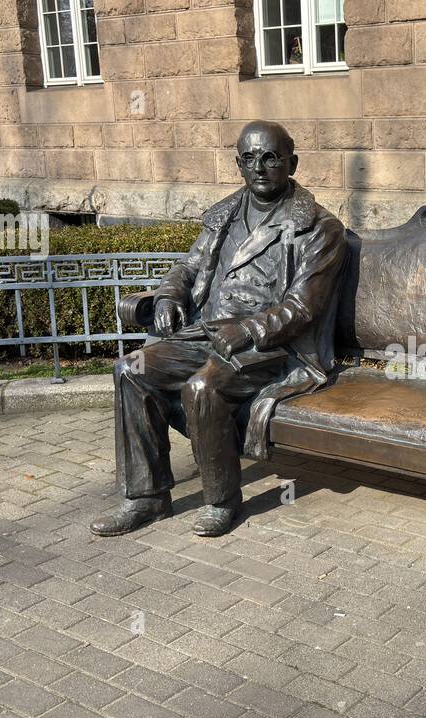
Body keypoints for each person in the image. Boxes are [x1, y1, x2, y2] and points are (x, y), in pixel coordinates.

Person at [90, 120, 347, 538]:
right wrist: (170, 297)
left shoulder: (318, 228)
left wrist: (247, 331)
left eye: (270, 158)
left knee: (201, 387)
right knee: (130, 369)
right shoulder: (225, 215)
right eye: (250, 159)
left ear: (291, 163)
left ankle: (222, 500)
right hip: (206, 333)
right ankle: (146, 497)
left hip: (276, 347)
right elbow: (188, 268)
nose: (259, 167)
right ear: (239, 164)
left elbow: (303, 309)